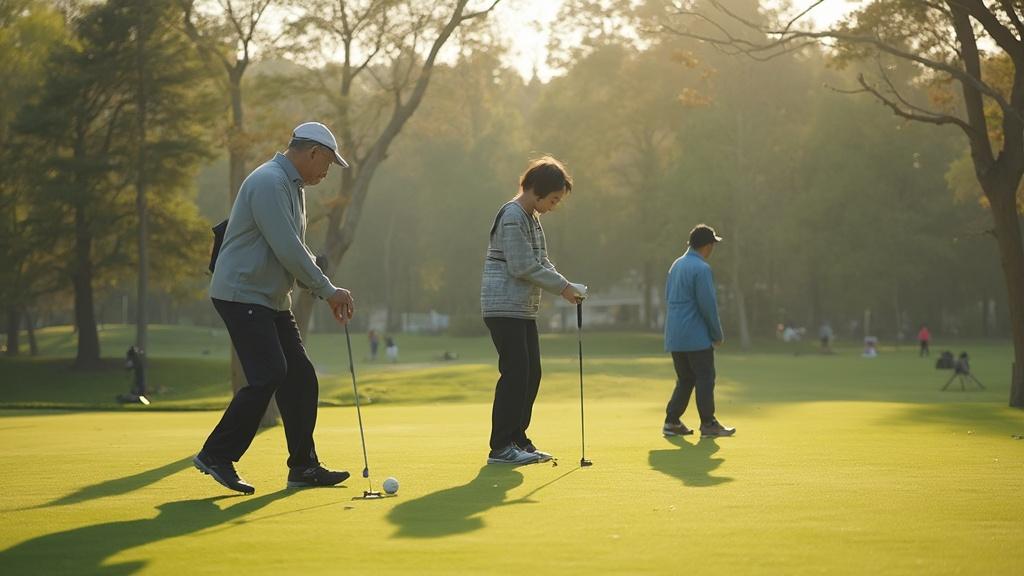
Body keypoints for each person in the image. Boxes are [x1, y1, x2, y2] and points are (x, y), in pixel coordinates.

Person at [193, 122, 355, 495]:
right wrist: (327, 290)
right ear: (312, 153)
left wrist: (318, 281)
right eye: (327, 163)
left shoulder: (293, 187)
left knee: (300, 377)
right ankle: (217, 454)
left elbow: (294, 248)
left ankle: (303, 466)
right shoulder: (269, 182)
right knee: (269, 373)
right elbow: (287, 248)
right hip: (241, 293)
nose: (327, 171)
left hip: (269, 298)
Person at [481, 156, 587, 465]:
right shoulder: (513, 216)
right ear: (538, 190)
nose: (554, 206)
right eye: (553, 199)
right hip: (503, 306)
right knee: (515, 373)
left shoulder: (531, 217)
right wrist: (562, 287)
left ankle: (517, 439)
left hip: (521, 309)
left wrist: (567, 285)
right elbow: (522, 265)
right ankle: (500, 447)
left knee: (531, 373)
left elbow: (542, 262)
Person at [662, 224, 735, 439]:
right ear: (707, 245)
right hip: (695, 335)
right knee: (705, 376)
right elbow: (708, 305)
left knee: (685, 379)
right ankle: (708, 423)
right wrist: (717, 333)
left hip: (675, 335)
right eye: (712, 244)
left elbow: (668, 296)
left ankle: (672, 421)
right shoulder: (701, 268)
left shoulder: (676, 265)